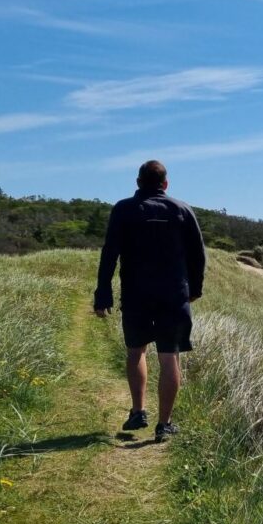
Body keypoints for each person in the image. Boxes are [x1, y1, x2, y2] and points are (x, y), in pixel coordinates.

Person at [93, 160, 206, 442]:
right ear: (165, 184)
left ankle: (138, 411)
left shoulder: (123, 209)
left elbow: (109, 254)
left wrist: (103, 294)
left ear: (138, 182)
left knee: (136, 351)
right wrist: (195, 289)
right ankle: (164, 425)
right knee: (170, 356)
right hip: (174, 294)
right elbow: (198, 255)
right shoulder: (182, 209)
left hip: (136, 294)